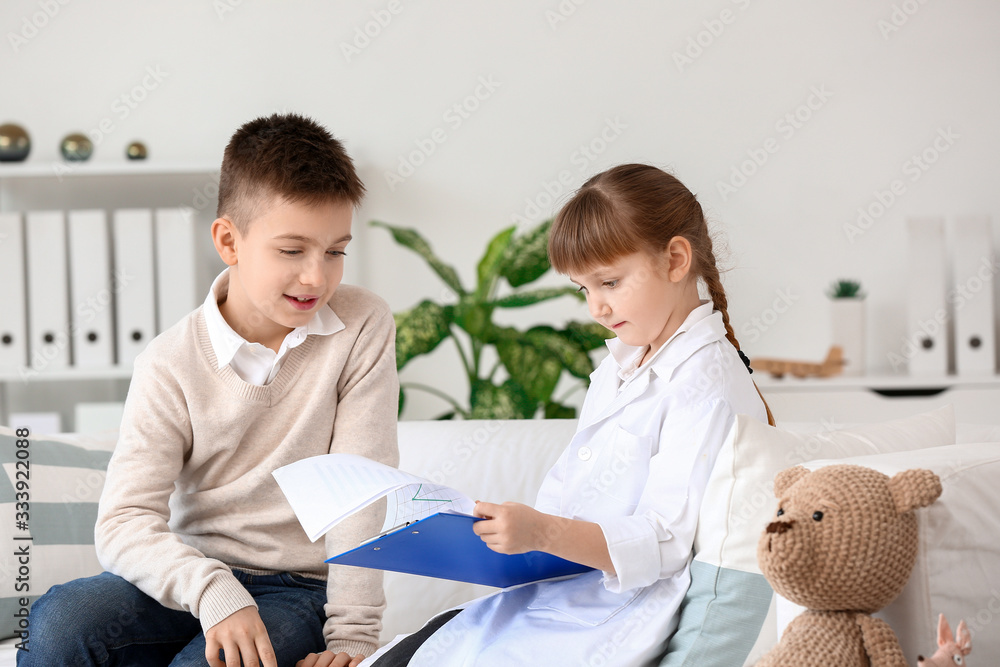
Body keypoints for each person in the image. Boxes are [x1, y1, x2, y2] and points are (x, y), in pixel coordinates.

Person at [19, 113, 399, 667]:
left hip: (296, 592)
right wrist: (211, 590)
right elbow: (124, 523)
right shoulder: (168, 362)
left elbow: (361, 495)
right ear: (229, 241)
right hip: (190, 579)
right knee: (61, 622)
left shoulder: (362, 324)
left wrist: (353, 640)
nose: (317, 277)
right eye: (292, 251)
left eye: (335, 251)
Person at [360, 163, 774, 666]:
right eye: (585, 289)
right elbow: (569, 502)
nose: (596, 307)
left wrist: (542, 533)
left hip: (609, 619)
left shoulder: (707, 384)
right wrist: (512, 534)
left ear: (676, 259)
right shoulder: (621, 365)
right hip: (557, 597)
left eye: (610, 282)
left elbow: (663, 542)